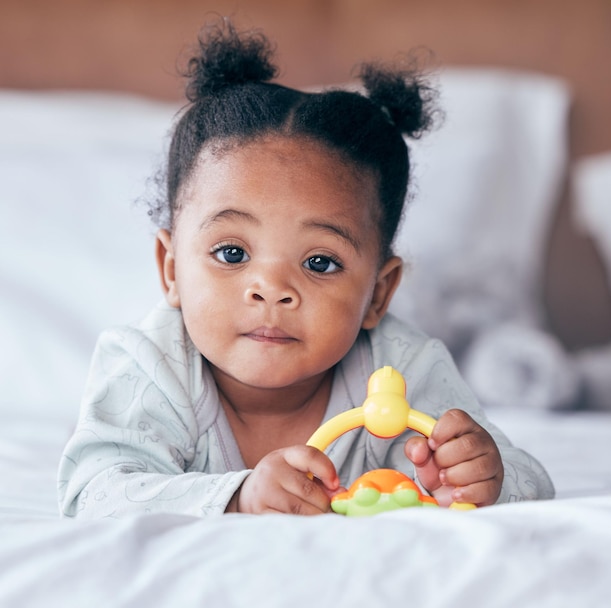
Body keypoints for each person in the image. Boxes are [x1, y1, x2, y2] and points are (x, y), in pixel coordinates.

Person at [58, 21, 554, 518]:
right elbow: (93, 492)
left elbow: (528, 477)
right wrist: (238, 496)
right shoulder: (150, 364)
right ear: (170, 269)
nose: (272, 289)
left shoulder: (403, 367)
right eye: (232, 253)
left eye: (320, 262)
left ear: (378, 294)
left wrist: (484, 475)